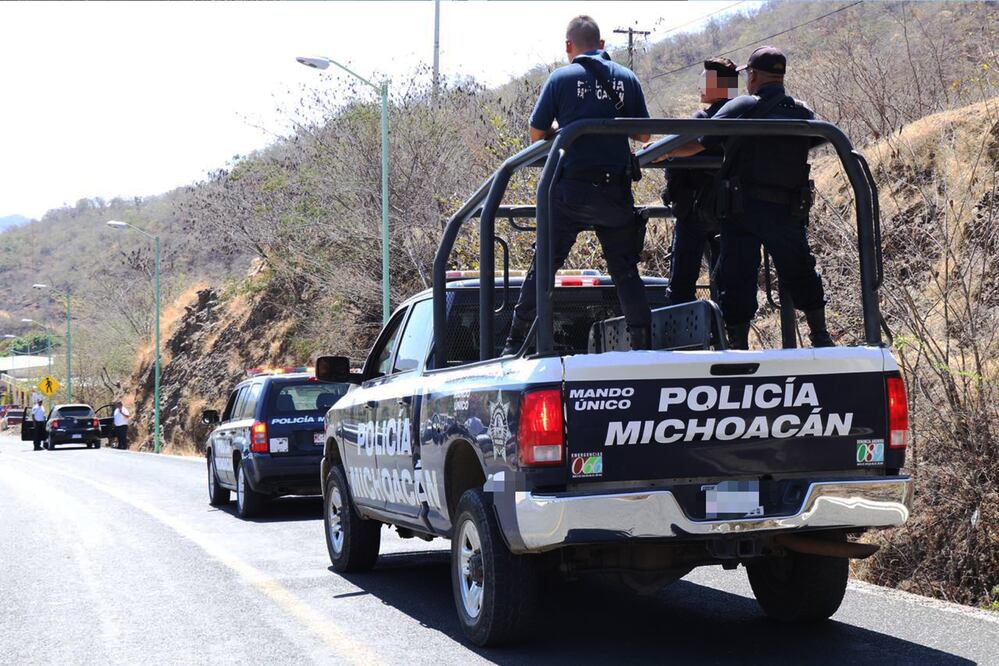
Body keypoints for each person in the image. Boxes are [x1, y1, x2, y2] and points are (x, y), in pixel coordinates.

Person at [665, 46, 832, 349]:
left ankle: (738, 345)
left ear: (753, 75)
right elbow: (819, 138)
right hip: (787, 210)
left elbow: (699, 142)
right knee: (800, 267)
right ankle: (820, 335)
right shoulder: (801, 111)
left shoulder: (744, 105)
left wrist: (659, 152)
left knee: (736, 276)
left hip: (742, 210)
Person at [503, 15, 653, 354]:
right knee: (624, 270)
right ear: (602, 45)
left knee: (544, 264)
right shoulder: (627, 78)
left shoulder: (561, 78)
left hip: (570, 191)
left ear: (569, 47)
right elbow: (645, 134)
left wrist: (565, 126)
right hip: (615, 193)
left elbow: (536, 134)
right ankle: (644, 341)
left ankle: (515, 342)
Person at [659, 57, 739, 305]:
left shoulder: (702, 119)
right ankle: (730, 336)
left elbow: (687, 150)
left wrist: (664, 152)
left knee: (682, 282)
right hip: (733, 208)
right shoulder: (743, 118)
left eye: (705, 81)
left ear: (719, 85)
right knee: (727, 281)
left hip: (695, 209)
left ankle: (683, 338)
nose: (699, 86)